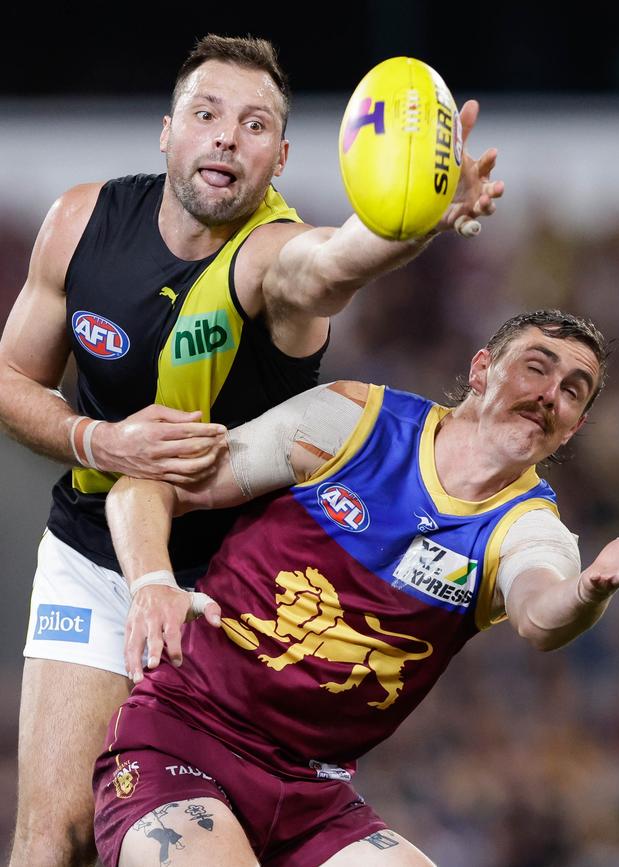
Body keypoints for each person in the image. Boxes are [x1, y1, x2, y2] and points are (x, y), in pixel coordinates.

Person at [0, 34, 503, 867]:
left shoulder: (272, 257)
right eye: (207, 114)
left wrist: (411, 223)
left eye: (254, 123)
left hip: (236, 594)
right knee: (53, 835)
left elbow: (334, 263)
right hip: (93, 554)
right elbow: (13, 378)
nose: (227, 135)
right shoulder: (80, 223)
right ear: (167, 130)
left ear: (280, 158)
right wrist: (101, 438)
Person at [94, 309, 619, 867]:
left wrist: (590, 588)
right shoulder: (352, 423)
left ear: (573, 426)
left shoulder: (529, 526)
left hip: (313, 796)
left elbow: (540, 616)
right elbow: (144, 488)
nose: (551, 393)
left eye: (573, 391)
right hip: (183, 740)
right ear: (482, 369)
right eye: (536, 368)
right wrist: (152, 583)